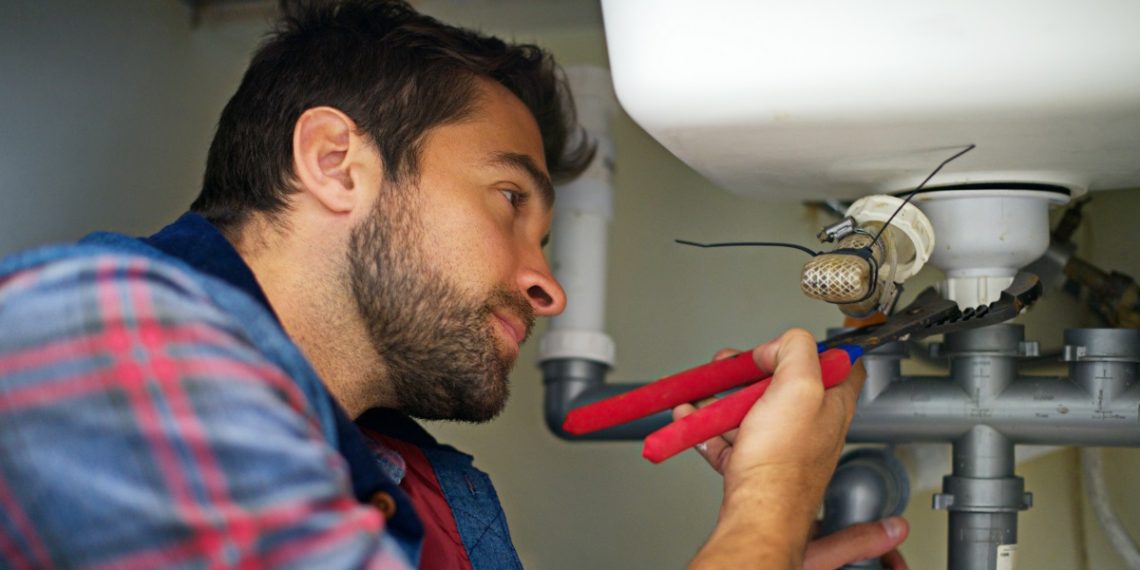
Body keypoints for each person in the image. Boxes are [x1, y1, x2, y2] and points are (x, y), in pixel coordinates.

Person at [0, 1, 908, 568]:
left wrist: (764, 548)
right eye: (509, 198)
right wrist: (770, 502)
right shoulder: (97, 331)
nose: (547, 286)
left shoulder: (429, 490)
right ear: (335, 163)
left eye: (546, 236)